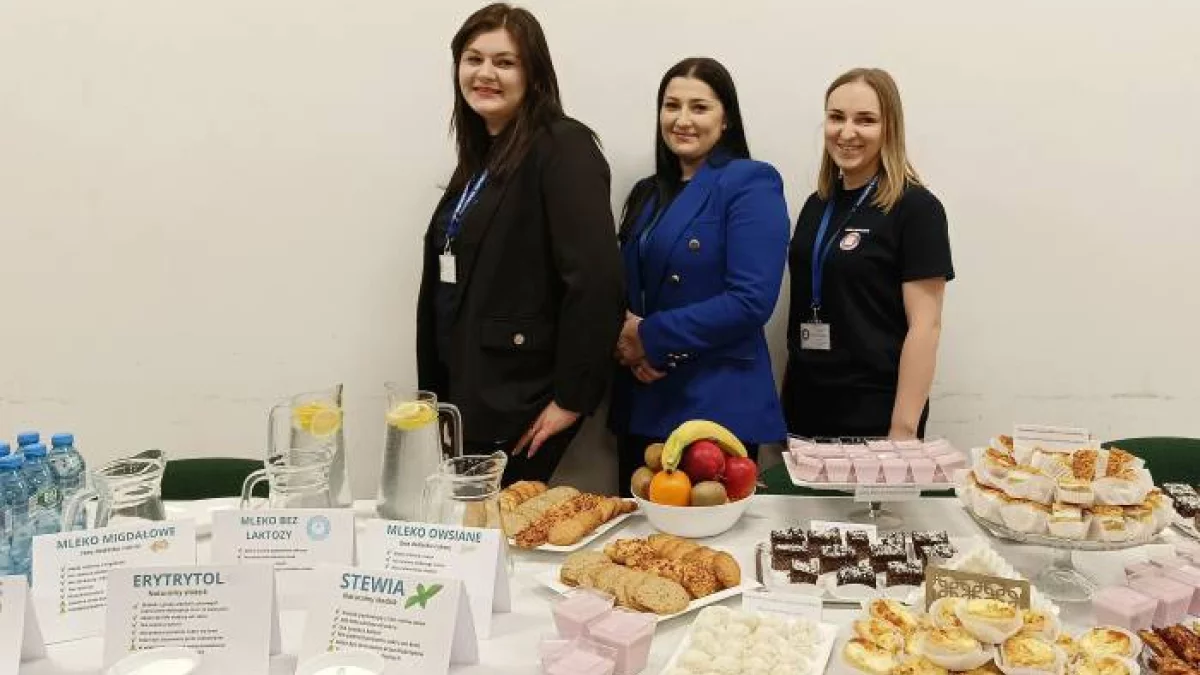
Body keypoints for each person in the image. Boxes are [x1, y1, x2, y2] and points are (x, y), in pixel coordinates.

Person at [415, 3, 624, 485]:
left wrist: (571, 398)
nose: (485, 73)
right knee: (474, 523)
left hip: (520, 398)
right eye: (473, 59)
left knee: (503, 524)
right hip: (466, 391)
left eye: (504, 62)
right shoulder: (483, 155)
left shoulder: (562, 146)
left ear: (534, 74)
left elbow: (596, 280)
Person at [610, 57, 790, 496]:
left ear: (726, 118)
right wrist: (625, 342)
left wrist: (650, 337)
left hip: (714, 402)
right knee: (640, 536)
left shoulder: (750, 182)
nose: (683, 119)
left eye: (700, 107)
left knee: (710, 538)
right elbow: (625, 284)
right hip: (643, 395)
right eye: (671, 106)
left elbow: (751, 301)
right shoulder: (646, 193)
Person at [783, 68, 954, 440]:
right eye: (836, 117)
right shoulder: (816, 205)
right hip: (804, 409)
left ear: (890, 128)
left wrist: (902, 430)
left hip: (876, 416)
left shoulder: (916, 209)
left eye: (865, 120)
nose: (847, 132)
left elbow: (926, 327)